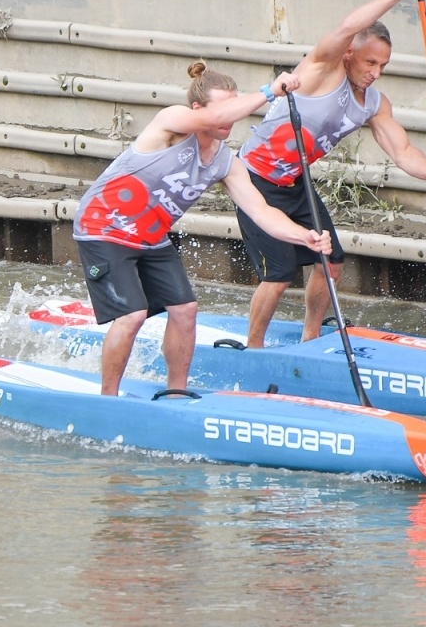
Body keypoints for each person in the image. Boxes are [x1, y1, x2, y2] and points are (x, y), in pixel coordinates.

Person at [73, 61, 332, 395]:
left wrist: (305, 236)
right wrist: (269, 91)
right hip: (103, 226)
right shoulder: (172, 121)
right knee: (134, 314)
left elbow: (261, 211)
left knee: (185, 310)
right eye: (223, 108)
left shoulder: (225, 162)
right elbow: (211, 118)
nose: (231, 117)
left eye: (233, 107)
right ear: (198, 109)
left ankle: (176, 392)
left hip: (150, 237)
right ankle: (107, 399)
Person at [237, 0, 426, 347]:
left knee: (331, 263)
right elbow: (347, 25)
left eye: (383, 66)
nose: (375, 73)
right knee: (278, 274)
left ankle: (310, 337)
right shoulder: (322, 70)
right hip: (253, 180)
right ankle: (253, 349)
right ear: (349, 54)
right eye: (370, 63)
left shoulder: (374, 103)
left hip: (296, 183)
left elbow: (402, 151)